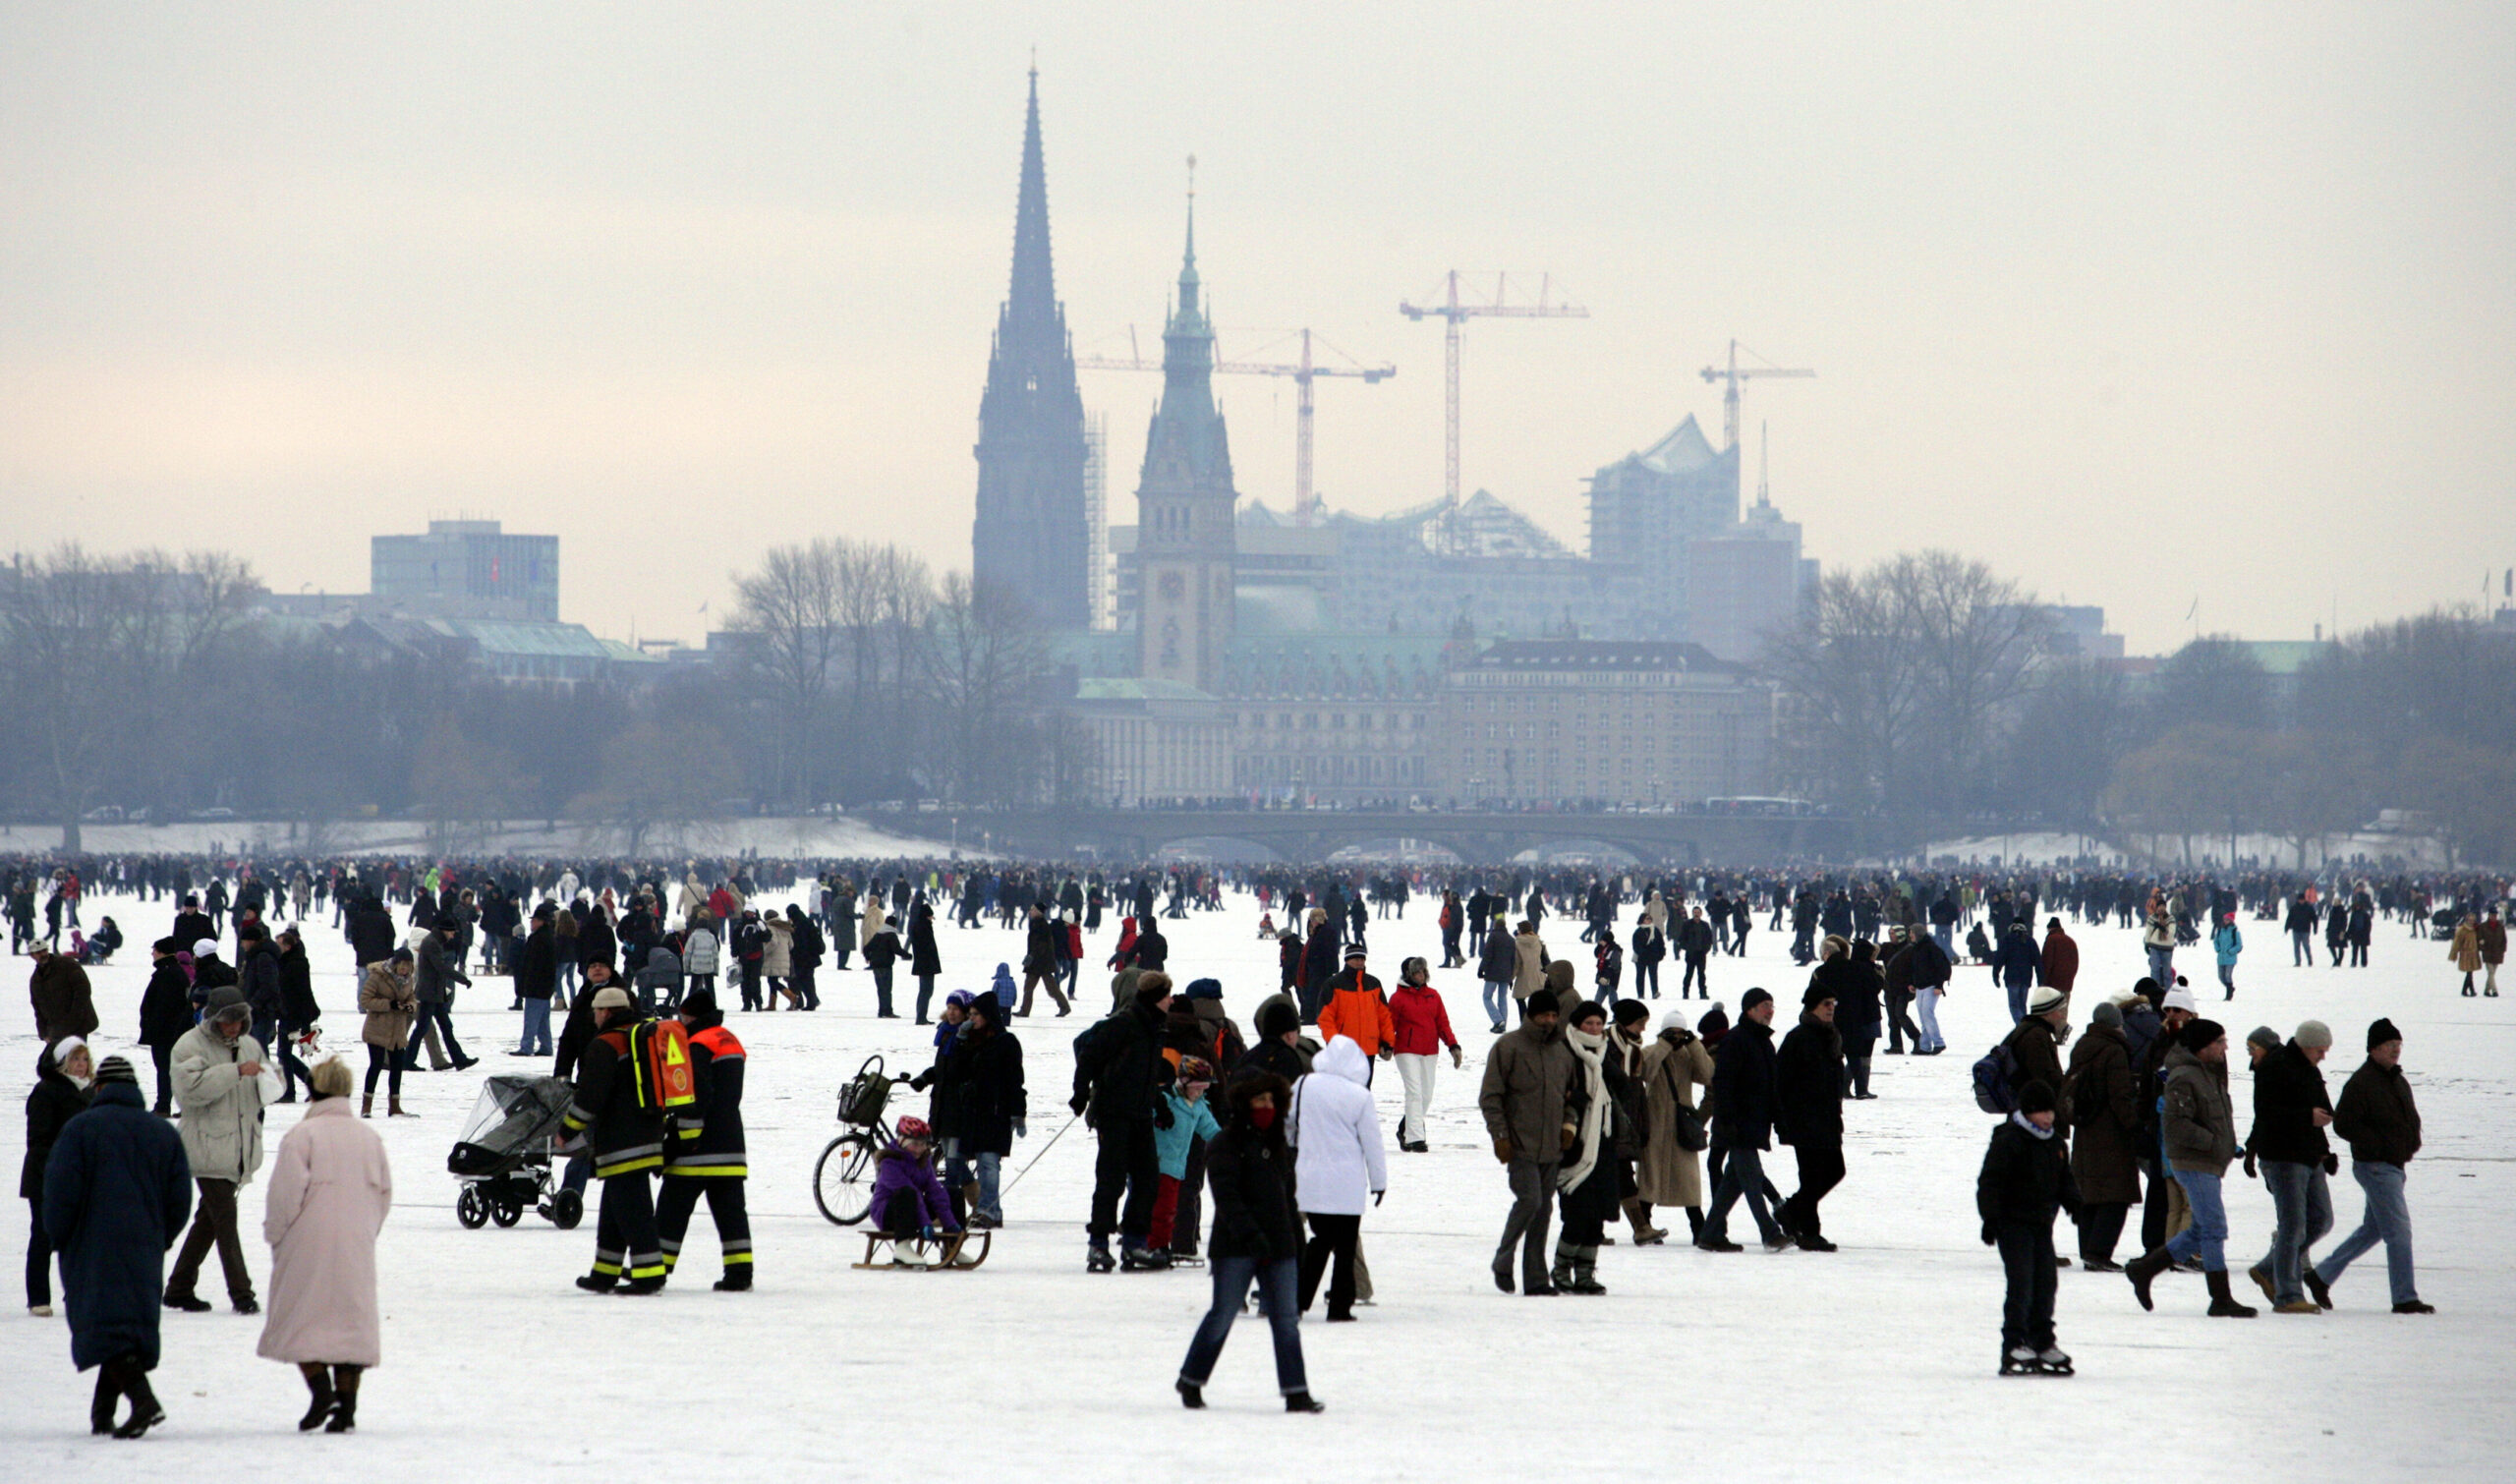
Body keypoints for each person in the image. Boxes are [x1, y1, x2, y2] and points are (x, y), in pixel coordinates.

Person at [41, 1054, 192, 1438]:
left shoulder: (79, 1130)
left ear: (101, 1088)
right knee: (125, 1325)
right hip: (144, 1244)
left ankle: (144, 1402)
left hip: (91, 1245)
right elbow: (180, 1197)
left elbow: (59, 1193)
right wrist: (163, 1236)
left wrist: (59, 1236)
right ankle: (102, 1415)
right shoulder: (161, 1132)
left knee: (105, 1325)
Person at [1174, 1073, 1324, 1414]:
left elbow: (1288, 1200)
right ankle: (1192, 1378)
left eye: (1272, 1102)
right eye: (1260, 1102)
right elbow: (1228, 1200)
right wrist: (1252, 1237)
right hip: (1236, 1248)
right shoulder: (1225, 1145)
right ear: (1245, 1105)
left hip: (1280, 1247)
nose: (1267, 1109)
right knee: (1223, 1314)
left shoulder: (1279, 1146)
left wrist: (1295, 1243)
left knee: (1286, 1320)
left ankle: (1296, 1391)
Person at [257, 1056, 390, 1432]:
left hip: (306, 1240)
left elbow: (284, 1194)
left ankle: (320, 1391)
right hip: (355, 1241)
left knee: (301, 1317)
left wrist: (276, 1234)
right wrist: (366, 1230)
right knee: (350, 1323)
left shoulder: (302, 1136)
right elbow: (383, 1193)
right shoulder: (369, 1137)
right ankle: (346, 1407)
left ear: (313, 1090)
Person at [2126, 1019, 2255, 1317]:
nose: (2225, 1047)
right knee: (2213, 1228)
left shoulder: (2206, 1073)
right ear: (2203, 1046)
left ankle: (2145, 1269)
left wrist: (2225, 1145)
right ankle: (2220, 1297)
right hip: (2193, 1161)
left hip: (2208, 1161)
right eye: (2219, 1042)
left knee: (2199, 1229)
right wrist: (2213, 1143)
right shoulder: (2184, 1077)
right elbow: (2178, 1125)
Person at [2313, 1018, 2430, 1313]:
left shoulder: (2396, 1079)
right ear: (2374, 1048)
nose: (2396, 1051)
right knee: (2399, 1233)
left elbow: (2409, 1118)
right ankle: (2405, 1298)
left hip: (2394, 1165)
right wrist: (2376, 1146)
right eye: (2390, 1046)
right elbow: (2343, 1123)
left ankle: (2320, 1276)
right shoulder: (2362, 1082)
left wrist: (2409, 1143)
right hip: (2376, 1167)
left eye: (2398, 1045)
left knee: (2374, 1229)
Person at [165, 986, 268, 1314]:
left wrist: (271, 1081)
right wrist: (235, 1071)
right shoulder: (189, 1045)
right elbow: (189, 1092)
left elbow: (261, 1089)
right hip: (206, 1147)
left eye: (239, 1020)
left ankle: (179, 1287)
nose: (234, 1027)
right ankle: (243, 1294)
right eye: (227, 1021)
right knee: (225, 1219)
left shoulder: (250, 1045)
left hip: (238, 1148)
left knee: (209, 1220)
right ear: (212, 1018)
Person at [562, 987, 669, 1294]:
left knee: (633, 1211)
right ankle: (604, 1272)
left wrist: (567, 1131)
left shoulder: (605, 1044)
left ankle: (649, 1275)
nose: (594, 1017)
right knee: (613, 1209)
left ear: (606, 1012)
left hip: (622, 1143)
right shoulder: (640, 1037)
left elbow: (590, 1098)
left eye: (596, 1011)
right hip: (648, 1135)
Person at [1072, 973, 1176, 1271]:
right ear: (1157, 996)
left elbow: (1148, 1073)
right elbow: (1089, 1057)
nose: (1171, 1000)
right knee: (1111, 1180)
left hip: (1141, 1114)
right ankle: (1098, 1245)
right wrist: (1081, 1094)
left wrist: (1161, 1106)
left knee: (1147, 1180)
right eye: (1168, 994)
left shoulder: (1156, 1027)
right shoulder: (1125, 1023)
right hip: (1114, 1113)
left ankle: (1134, 1243)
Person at [1479, 986, 1575, 1293]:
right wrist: (1500, 1136)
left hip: (1551, 1146)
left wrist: (1568, 1127)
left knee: (1543, 1210)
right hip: (1519, 1143)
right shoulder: (1508, 1047)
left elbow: (1572, 1098)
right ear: (1531, 1015)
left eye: (1553, 1015)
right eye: (1543, 1015)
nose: (1549, 1020)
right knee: (1530, 1201)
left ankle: (1535, 1278)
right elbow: (1491, 1096)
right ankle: (1502, 1259)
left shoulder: (1561, 1051)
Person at [1978, 1081, 2078, 1376]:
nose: (2048, 1117)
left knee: (2046, 1283)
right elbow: (1990, 1181)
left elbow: (2064, 1181)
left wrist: (2076, 1205)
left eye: (2051, 1111)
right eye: (2041, 1112)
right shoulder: (2010, 1140)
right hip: (2012, 1223)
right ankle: (2014, 1344)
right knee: (2022, 1283)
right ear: (2027, 1111)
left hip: (2041, 1223)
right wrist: (1990, 1219)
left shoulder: (2055, 1143)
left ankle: (2043, 1341)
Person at [658, 990, 752, 1290]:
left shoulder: (696, 1044)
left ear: (689, 1016)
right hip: (730, 1144)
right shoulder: (727, 1039)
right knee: (731, 1215)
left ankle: (654, 1269)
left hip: (698, 1148)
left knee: (671, 1212)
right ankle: (740, 1274)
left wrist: (682, 1140)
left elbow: (694, 1097)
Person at [2244, 1019, 2336, 1314]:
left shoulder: (2311, 1069)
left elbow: (2322, 1108)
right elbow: (2267, 1114)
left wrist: (2324, 1151)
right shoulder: (2274, 1067)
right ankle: (2288, 1295)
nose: (2323, 1056)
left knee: (2321, 1220)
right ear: (2307, 1045)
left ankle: (2268, 1268)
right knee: (2292, 1227)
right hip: (2282, 1157)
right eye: (2320, 1050)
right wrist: (2306, 1117)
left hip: (2309, 1156)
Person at [1290, 1036, 1386, 1321]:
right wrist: (1379, 1182)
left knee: (1319, 1240)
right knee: (1345, 1247)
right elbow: (1372, 1143)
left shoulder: (1304, 1085)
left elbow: (1289, 1123)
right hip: (1347, 1184)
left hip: (1311, 1179)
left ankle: (1297, 1300)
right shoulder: (1360, 1095)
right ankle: (1340, 1306)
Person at [1697, 988, 1789, 1253]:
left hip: (1754, 1123)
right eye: (1764, 1005)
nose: (1770, 1011)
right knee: (1751, 1177)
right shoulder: (1736, 1040)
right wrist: (1726, 1121)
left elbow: (1771, 1087)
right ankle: (1770, 1233)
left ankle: (1710, 1233)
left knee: (1733, 1182)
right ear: (1749, 1009)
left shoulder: (1763, 1042)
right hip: (1737, 1125)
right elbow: (1723, 1083)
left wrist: (1778, 1120)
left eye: (1772, 1005)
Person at [1552, 1000, 1633, 1293]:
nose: (1595, 1028)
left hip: (1602, 1146)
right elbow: (1555, 1092)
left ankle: (1585, 1274)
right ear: (1576, 1025)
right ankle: (1561, 1271)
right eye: (1589, 1024)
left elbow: (1623, 1084)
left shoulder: (1601, 1054)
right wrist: (1575, 1098)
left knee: (1597, 1218)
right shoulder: (1564, 1051)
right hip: (1574, 1147)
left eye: (1599, 1024)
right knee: (1577, 1215)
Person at [2065, 999, 2142, 1271]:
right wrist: (2134, 1125)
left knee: (2090, 1194)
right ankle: (2099, 1253)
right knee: (2116, 1195)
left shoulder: (2083, 1046)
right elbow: (2120, 1095)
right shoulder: (2115, 1051)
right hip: (2111, 1133)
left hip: (2085, 1130)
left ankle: (2088, 1250)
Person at [1774, 982, 1847, 1251]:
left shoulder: (1831, 1035)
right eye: (1826, 1004)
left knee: (1833, 1171)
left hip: (1827, 1117)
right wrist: (1785, 1118)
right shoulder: (1799, 1038)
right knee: (1813, 1175)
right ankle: (1808, 1231)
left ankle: (1791, 1212)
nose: (1831, 1009)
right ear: (1812, 1007)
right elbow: (1781, 1081)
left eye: (1833, 1004)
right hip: (1804, 1119)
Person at [25, 1038, 94, 1316]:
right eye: (75, 1060)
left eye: (84, 1060)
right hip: (46, 1177)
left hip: (83, 1178)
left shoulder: (91, 1092)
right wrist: (58, 1171)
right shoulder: (46, 1092)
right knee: (43, 1236)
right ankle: (38, 1297)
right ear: (63, 1063)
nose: (80, 1066)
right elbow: (38, 1140)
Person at [1637, 1003, 1715, 1240]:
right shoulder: (1651, 1051)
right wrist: (1663, 1046)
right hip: (1655, 1125)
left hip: (1681, 1127)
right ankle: (1644, 1226)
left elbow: (1708, 1075)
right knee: (1650, 1180)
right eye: (1672, 1032)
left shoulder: (1688, 1055)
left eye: (1681, 1033)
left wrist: (1694, 1045)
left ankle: (1698, 1228)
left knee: (1688, 1182)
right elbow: (1646, 1072)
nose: (1677, 1037)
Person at [1388, 957, 1461, 1152]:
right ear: (1408, 975)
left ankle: (1405, 1128)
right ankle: (1415, 1139)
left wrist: (1453, 1045)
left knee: (1426, 1095)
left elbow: (1442, 1023)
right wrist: (1386, 1045)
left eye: (1423, 972)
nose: (1421, 976)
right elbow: (1390, 1025)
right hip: (1406, 1050)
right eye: (1417, 973)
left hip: (1430, 1050)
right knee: (1414, 1092)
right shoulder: (1397, 998)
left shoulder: (1433, 995)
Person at [1152, 1056, 1223, 1255]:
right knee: (1159, 1209)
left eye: (1204, 1088)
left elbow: (1211, 1130)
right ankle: (1153, 1245)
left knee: (1170, 1210)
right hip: (1158, 1164)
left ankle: (1163, 1246)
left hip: (1178, 1167)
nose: (1200, 1092)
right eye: (1197, 1087)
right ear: (1183, 1083)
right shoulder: (1165, 1100)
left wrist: (1228, 1145)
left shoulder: (1199, 1106)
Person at [864, 1114, 958, 1259]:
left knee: (952, 1193)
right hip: (889, 1214)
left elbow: (934, 1191)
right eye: (915, 1144)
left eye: (923, 1144)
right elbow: (912, 1193)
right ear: (902, 1142)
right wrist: (925, 1223)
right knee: (907, 1193)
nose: (919, 1149)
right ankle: (902, 1247)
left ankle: (953, 1245)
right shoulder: (889, 1162)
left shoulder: (924, 1161)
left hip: (914, 1209)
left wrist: (951, 1224)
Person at [408, 920, 478, 1072]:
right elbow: (441, 968)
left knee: (446, 1027)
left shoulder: (433, 941)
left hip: (435, 993)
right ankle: (407, 1060)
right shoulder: (432, 943)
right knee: (422, 1028)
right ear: (445, 931)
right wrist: (462, 979)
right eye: (452, 933)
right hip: (429, 994)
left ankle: (459, 1059)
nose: (453, 936)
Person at [358, 948, 418, 1118]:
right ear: (395, 964)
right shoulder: (378, 976)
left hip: (397, 1029)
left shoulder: (408, 980)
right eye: (402, 966)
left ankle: (395, 1106)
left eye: (408, 966)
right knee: (376, 1065)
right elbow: (365, 1000)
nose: (405, 969)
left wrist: (410, 1006)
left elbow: (411, 997)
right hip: (378, 1027)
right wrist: (389, 1005)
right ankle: (366, 1106)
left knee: (397, 1067)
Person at [29, 941, 99, 1047]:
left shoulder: (67, 964)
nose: (43, 954)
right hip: (54, 1029)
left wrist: (73, 1019)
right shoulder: (36, 979)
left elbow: (83, 991)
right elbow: (37, 1007)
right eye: (38, 952)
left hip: (77, 1026)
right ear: (32, 955)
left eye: (44, 950)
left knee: (75, 1060)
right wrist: (43, 1032)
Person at [1476, 913, 1518, 1032]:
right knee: (1502, 998)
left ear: (1495, 925)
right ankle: (1502, 1024)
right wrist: (1511, 977)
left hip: (1493, 973)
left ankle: (1498, 1020)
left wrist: (1481, 969)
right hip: (1506, 973)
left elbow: (1487, 954)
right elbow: (1512, 959)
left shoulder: (1493, 936)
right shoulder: (1511, 939)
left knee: (1487, 997)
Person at [2211, 913, 2245, 1000]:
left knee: (2227, 976)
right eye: (2225, 919)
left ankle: (2228, 995)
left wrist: (2231, 951)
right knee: (2221, 977)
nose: (2225, 921)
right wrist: (2217, 948)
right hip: (2221, 958)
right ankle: (2230, 988)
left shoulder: (2235, 932)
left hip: (2230, 958)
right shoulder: (2220, 930)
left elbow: (2239, 945)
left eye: (2227, 920)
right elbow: (2216, 941)